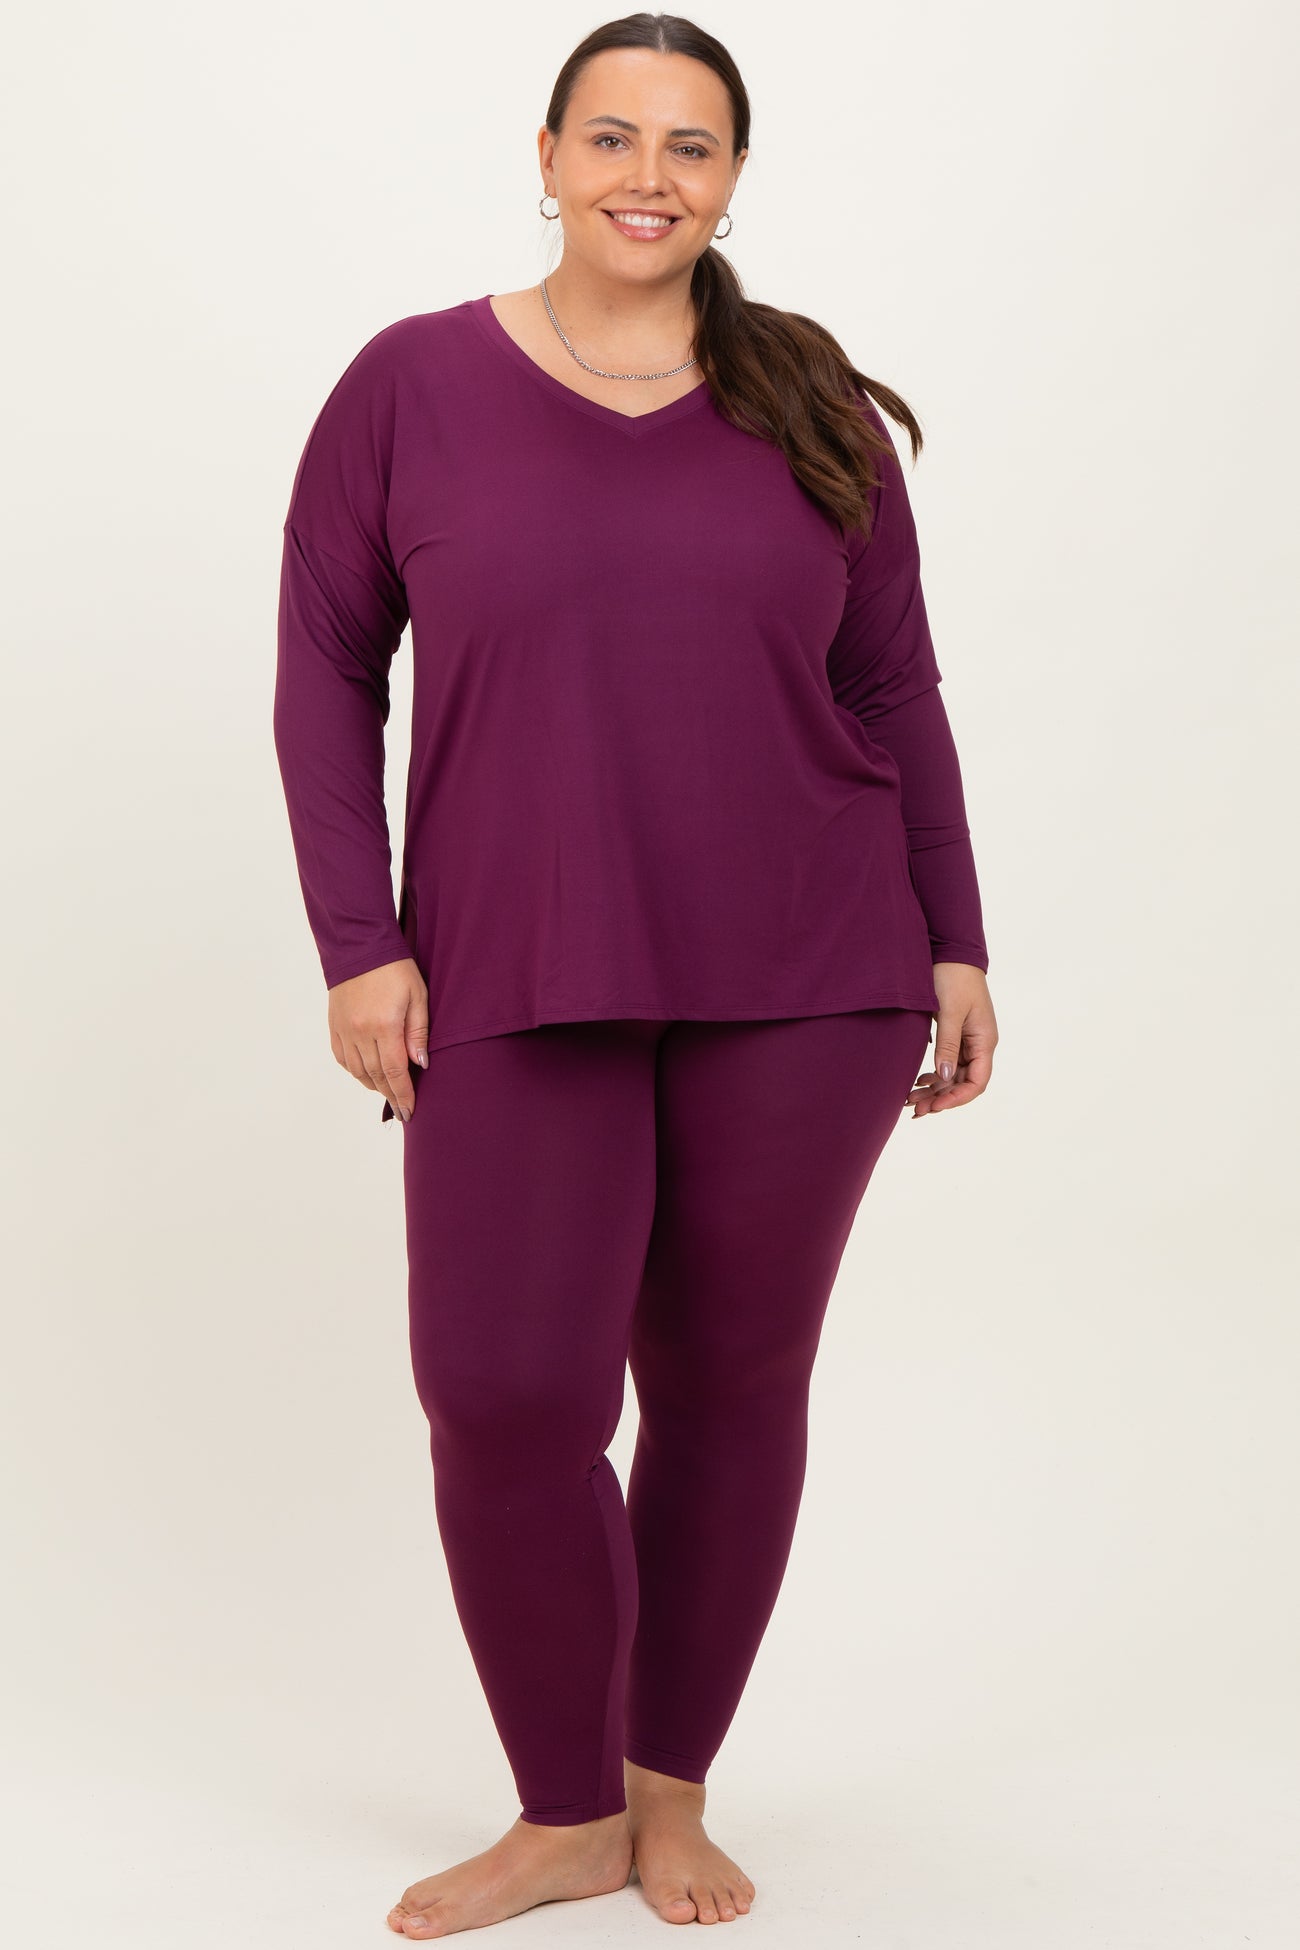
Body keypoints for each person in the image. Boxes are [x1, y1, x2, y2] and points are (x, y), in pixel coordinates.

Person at [273, 13, 998, 1939]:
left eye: (691, 146)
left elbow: (893, 683)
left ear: (733, 181)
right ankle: (564, 1809)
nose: (648, 176)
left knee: (729, 1378)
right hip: (515, 953)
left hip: (812, 961)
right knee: (506, 1391)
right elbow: (326, 666)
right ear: (546, 155)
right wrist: (361, 942)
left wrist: (955, 933)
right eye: (612, 137)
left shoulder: (806, 399)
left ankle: (665, 1791)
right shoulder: (411, 385)